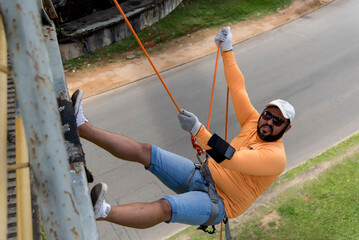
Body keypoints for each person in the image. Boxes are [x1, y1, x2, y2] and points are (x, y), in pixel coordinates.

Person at [73, 26, 295, 230]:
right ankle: (81, 127)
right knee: (146, 152)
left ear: (286, 129)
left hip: (219, 201)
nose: (268, 122)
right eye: (268, 115)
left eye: (277, 121)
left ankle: (103, 212)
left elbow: (232, 159)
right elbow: (238, 88)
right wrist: (227, 50)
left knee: (165, 208)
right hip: (203, 174)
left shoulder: (276, 157)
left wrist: (199, 129)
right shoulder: (252, 120)